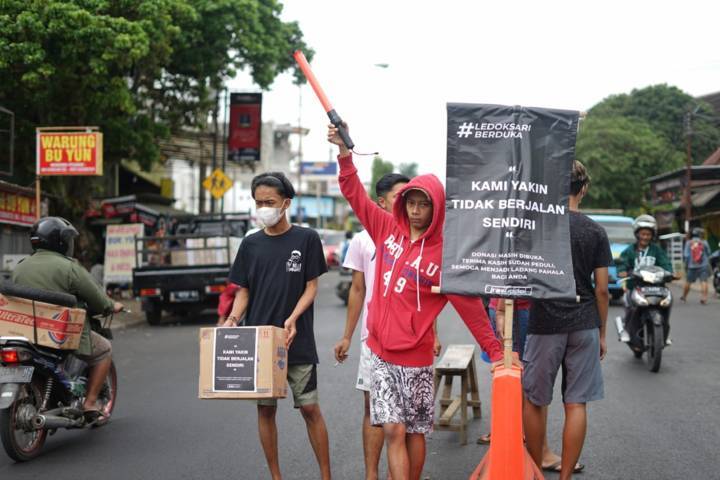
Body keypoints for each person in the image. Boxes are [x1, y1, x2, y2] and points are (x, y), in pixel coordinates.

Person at [329, 124, 504, 480]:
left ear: (437, 209)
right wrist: (345, 154)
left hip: (415, 357)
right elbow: (355, 196)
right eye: (412, 202)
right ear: (403, 202)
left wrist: (497, 353)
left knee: (414, 432)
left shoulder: (445, 256)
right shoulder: (385, 229)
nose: (416, 210)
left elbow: (471, 308)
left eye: (425, 204)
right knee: (392, 430)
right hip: (379, 352)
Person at [224, 172, 331, 480]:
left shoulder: (306, 238)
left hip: (297, 340)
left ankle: (326, 475)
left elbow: (311, 286)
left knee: (310, 409)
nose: (263, 208)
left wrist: (293, 317)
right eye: (258, 202)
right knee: (265, 410)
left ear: (286, 203)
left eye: (269, 202)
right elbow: (243, 290)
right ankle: (276, 476)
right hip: (260, 343)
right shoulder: (250, 244)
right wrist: (233, 319)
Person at [333, 172, 434, 480]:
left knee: (410, 427)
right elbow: (358, 290)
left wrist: (434, 333)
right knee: (382, 419)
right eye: (403, 199)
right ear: (385, 202)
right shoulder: (369, 236)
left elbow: (427, 296)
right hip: (375, 342)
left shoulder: (429, 244)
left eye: (419, 202)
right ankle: (371, 474)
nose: (411, 208)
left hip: (414, 345)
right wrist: (348, 336)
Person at [522, 161, 611, 480]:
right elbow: (602, 290)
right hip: (585, 321)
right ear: (583, 189)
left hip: (544, 321)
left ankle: (534, 471)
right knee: (576, 404)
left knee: (535, 400)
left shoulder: (540, 227)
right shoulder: (595, 231)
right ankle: (565, 476)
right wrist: (602, 334)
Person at [12, 217, 123, 419]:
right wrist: (112, 306)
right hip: (59, 334)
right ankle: (90, 403)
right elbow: (98, 300)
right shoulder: (69, 268)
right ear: (61, 242)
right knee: (104, 349)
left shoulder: (20, 267)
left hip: (24, 332)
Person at [616, 214, 674, 346]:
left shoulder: (657, 250)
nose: (645, 237)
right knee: (631, 307)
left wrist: (670, 273)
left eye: (648, 234)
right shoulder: (629, 251)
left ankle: (664, 332)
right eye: (643, 234)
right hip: (635, 286)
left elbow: (666, 264)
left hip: (657, 287)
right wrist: (622, 271)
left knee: (667, 303)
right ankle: (628, 331)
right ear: (637, 234)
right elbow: (622, 263)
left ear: (652, 235)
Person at [682, 227, 712, 304]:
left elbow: (686, 255)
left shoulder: (689, 242)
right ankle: (704, 297)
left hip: (692, 266)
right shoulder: (704, 242)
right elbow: (709, 253)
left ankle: (684, 297)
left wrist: (686, 264)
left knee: (688, 282)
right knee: (704, 281)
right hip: (703, 265)